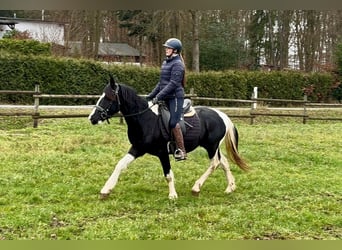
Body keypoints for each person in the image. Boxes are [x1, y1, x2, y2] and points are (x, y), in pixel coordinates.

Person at [146, 38, 187, 161]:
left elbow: (173, 84)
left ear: (175, 50)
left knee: (173, 123)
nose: (166, 50)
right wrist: (151, 96)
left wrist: (159, 96)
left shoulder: (178, 64)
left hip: (175, 98)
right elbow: (161, 83)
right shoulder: (166, 63)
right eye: (166, 48)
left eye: (168, 48)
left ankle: (181, 150)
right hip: (165, 97)